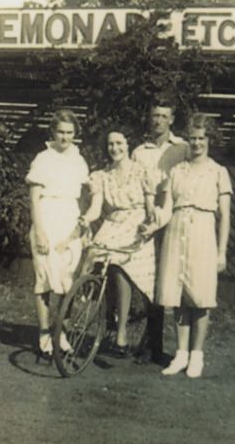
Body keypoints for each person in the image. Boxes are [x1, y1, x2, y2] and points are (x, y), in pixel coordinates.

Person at [152, 113, 232, 379]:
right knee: (178, 297)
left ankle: (197, 355)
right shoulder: (176, 171)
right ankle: (181, 353)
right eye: (193, 138)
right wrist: (152, 223)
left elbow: (225, 216)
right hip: (176, 231)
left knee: (200, 297)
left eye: (201, 138)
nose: (196, 143)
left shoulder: (218, 172)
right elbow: (165, 210)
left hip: (202, 232)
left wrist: (222, 251)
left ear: (209, 140)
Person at [78, 129, 156, 357]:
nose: (115, 148)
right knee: (93, 254)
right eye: (111, 144)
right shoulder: (101, 176)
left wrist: (149, 222)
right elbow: (96, 208)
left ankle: (121, 332)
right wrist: (86, 218)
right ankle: (86, 309)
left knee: (120, 267)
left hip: (136, 223)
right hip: (113, 223)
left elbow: (150, 206)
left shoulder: (142, 171)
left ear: (128, 144)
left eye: (119, 143)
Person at [26, 109, 90, 357]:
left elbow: (85, 195)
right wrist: (40, 232)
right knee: (44, 278)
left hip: (70, 219)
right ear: (53, 132)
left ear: (75, 134)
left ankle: (61, 332)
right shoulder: (42, 159)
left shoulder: (79, 160)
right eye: (61, 132)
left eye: (70, 133)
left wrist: (84, 226)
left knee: (67, 279)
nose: (65, 137)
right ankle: (44, 334)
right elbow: (33, 201)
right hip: (47, 217)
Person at [130, 101, 189, 364]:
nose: (158, 120)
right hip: (144, 219)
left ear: (172, 119)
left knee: (168, 282)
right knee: (146, 280)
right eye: (154, 115)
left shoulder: (182, 148)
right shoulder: (138, 152)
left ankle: (171, 347)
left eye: (164, 116)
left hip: (172, 220)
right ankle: (150, 343)